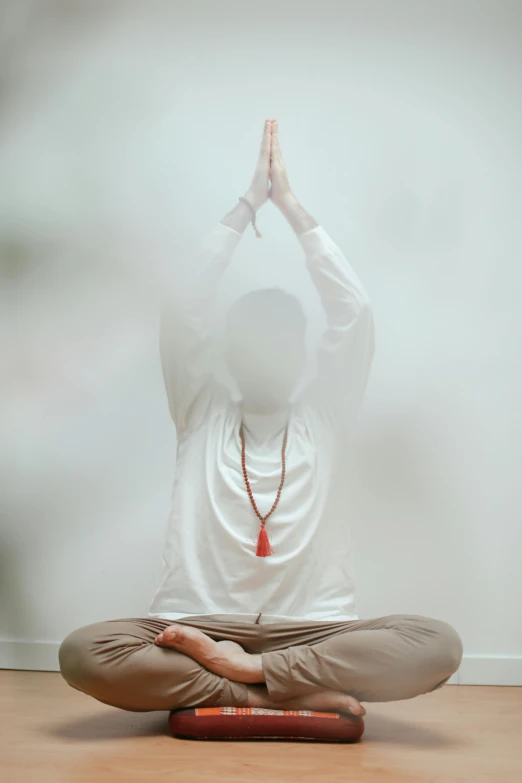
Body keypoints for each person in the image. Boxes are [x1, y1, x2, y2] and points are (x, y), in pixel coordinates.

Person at [58, 119, 463, 717]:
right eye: (251, 344)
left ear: (302, 353)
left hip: (315, 633)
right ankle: (276, 691)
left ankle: (253, 675)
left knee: (437, 645)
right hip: (193, 629)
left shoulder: (328, 413)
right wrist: (248, 205)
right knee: (83, 653)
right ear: (227, 355)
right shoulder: (201, 409)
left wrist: (293, 209)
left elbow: (355, 313)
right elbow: (183, 304)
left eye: (280, 344)